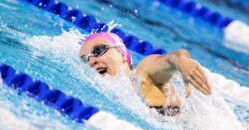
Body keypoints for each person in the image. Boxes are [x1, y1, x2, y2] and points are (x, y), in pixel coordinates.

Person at [80, 32, 211, 116]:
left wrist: (180, 61)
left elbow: (168, 60)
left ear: (122, 54)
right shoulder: (112, 94)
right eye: (86, 58)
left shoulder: (143, 76)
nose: (91, 61)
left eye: (98, 50)